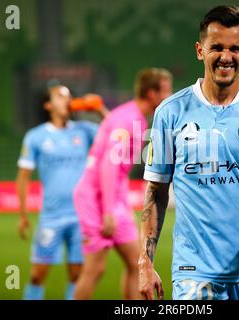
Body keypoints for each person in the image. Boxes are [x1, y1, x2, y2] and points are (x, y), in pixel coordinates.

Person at [139, 5, 239, 300]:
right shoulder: (169, 112)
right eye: (217, 47)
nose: (226, 56)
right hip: (194, 272)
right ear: (200, 50)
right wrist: (145, 261)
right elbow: (156, 190)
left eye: (235, 48)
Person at [73, 68, 173, 300]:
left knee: (134, 263)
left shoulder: (127, 116)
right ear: (151, 94)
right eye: (166, 91)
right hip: (98, 199)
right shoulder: (130, 120)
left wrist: (100, 111)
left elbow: (113, 132)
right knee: (97, 269)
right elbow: (109, 165)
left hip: (109, 197)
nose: (170, 96)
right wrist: (109, 211)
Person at [16, 84, 108, 300]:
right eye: (59, 96)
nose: (66, 100)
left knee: (77, 274)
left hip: (81, 217)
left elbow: (117, 132)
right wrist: (22, 214)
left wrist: (99, 110)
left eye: (69, 96)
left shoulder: (84, 130)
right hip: (51, 217)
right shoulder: (35, 137)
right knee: (38, 274)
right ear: (48, 105)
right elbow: (23, 177)